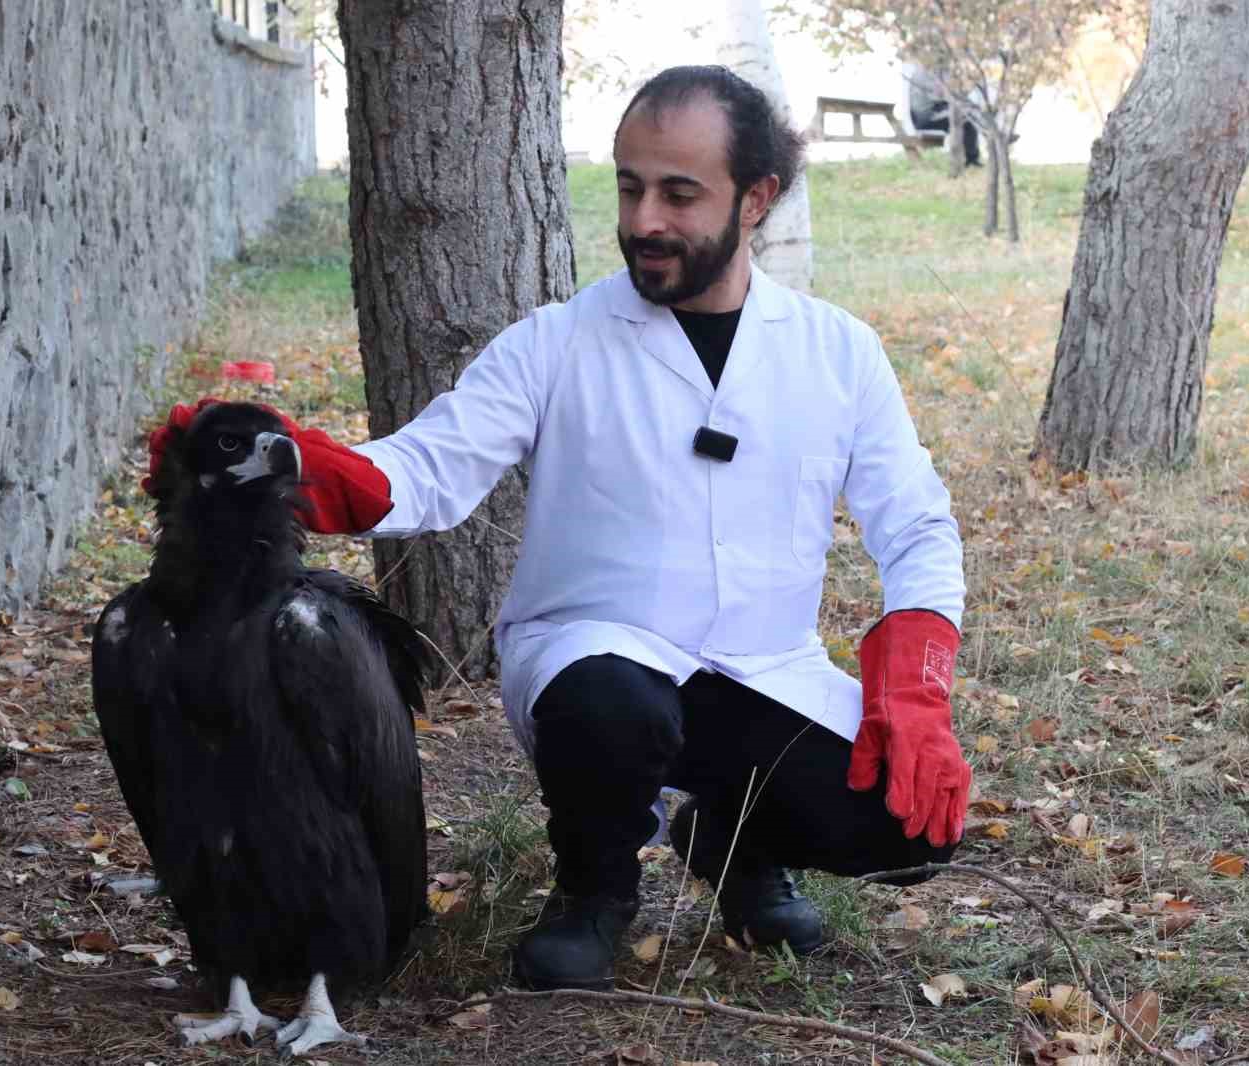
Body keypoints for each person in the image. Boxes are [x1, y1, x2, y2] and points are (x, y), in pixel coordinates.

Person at [259, 65, 971, 993]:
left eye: (679, 193)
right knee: (615, 706)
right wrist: (295, 469)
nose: (643, 220)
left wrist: (916, 681)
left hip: (763, 670)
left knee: (914, 826)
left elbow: (916, 524)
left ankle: (730, 840)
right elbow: (428, 468)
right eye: (630, 187)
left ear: (756, 199)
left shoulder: (836, 353)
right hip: (594, 659)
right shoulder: (558, 342)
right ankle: (592, 894)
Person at [904, 60, 981, 168]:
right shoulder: (927, 72)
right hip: (927, 118)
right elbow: (943, 96)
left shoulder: (934, 69)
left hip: (933, 111)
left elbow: (950, 96)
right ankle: (972, 160)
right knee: (967, 120)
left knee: (968, 114)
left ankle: (970, 158)